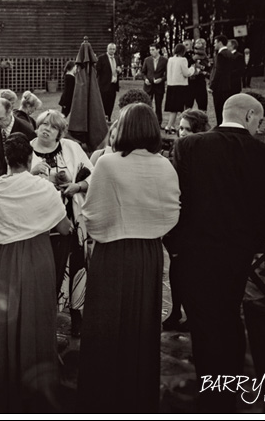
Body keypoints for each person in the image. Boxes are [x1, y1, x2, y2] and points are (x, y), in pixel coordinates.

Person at [168, 94, 265, 412]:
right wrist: (248, 244)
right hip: (237, 254)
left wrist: (177, 245)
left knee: (204, 322)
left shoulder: (190, 147)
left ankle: (213, 397)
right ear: (248, 115)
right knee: (230, 317)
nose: (259, 127)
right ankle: (227, 387)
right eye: (258, 120)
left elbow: (177, 202)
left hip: (194, 252)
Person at [79, 103, 180, 413]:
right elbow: (173, 210)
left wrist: (102, 229)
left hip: (113, 252)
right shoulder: (165, 165)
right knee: (142, 321)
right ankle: (137, 389)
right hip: (149, 253)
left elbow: (93, 214)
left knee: (106, 321)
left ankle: (103, 392)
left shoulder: (108, 164)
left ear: (124, 128)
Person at [0, 133, 72, 412]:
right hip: (39, 258)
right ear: (30, 159)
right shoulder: (44, 189)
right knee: (38, 315)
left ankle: (7, 380)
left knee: (8, 318)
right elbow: (64, 228)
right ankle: (37, 381)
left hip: (5, 259)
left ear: (6, 159)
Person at [29, 110, 93, 336]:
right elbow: (14, 179)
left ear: (60, 132)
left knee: (76, 267)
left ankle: (76, 315)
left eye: (53, 126)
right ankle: (45, 320)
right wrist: (32, 173)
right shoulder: (27, 151)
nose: (46, 128)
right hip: (40, 225)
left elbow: (91, 176)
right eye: (43, 124)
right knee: (47, 273)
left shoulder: (71, 148)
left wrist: (76, 186)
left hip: (71, 221)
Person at [161, 108, 210, 332]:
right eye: (180, 128)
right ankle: (175, 311)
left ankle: (193, 313)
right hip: (176, 218)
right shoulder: (177, 151)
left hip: (195, 220)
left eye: (187, 129)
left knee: (194, 271)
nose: (181, 133)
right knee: (176, 268)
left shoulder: (204, 154)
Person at [0, 96, 36, 180]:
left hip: (19, 179)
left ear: (9, 111)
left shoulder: (27, 130)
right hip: (1, 177)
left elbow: (31, 160)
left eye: (1, 119)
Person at [163, 43, 197, 134]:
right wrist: (192, 69)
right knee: (179, 108)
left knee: (173, 108)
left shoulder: (170, 59)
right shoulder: (183, 60)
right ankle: (170, 126)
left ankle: (171, 125)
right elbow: (186, 73)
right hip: (180, 86)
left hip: (171, 85)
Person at [209, 35, 235, 126]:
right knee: (225, 109)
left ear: (220, 43)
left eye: (215, 42)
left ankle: (220, 126)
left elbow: (218, 72)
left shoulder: (220, 55)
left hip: (219, 88)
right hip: (227, 86)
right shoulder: (230, 53)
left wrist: (212, 86)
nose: (214, 45)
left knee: (219, 109)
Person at [141, 43, 168, 126]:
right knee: (146, 105)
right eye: (150, 50)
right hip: (148, 86)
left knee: (158, 106)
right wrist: (145, 79)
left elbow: (167, 74)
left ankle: (158, 123)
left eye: (153, 50)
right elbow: (143, 72)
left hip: (159, 86)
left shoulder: (164, 60)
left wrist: (161, 79)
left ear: (158, 50)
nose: (151, 51)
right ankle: (146, 123)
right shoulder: (147, 60)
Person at [96, 43, 122, 121]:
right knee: (103, 103)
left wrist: (119, 71)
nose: (112, 51)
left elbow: (119, 68)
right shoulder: (101, 58)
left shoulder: (117, 58)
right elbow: (97, 71)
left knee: (111, 103)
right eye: (110, 49)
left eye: (114, 49)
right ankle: (102, 119)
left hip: (113, 85)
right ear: (107, 49)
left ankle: (109, 118)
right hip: (104, 85)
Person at [190, 38, 211, 112]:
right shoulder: (191, 54)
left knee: (202, 103)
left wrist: (203, 71)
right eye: (196, 43)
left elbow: (207, 67)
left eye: (200, 43)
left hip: (200, 81)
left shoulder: (205, 55)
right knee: (189, 104)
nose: (197, 44)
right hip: (191, 81)